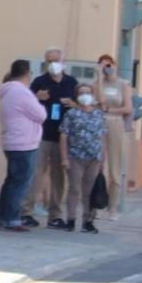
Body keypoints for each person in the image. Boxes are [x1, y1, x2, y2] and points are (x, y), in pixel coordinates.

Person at [27, 49, 76, 227]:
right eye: (49, 61)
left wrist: (74, 104)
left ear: (63, 62)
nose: (53, 64)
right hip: (41, 134)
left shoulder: (71, 82)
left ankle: (54, 215)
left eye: (56, 60)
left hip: (62, 137)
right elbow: (26, 102)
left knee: (58, 177)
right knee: (36, 173)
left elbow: (81, 106)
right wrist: (36, 97)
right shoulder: (39, 82)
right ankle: (27, 211)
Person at [0, 59, 47, 232]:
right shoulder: (21, 92)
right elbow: (41, 114)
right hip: (23, 142)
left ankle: (4, 217)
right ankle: (12, 219)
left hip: (13, 141)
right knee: (20, 182)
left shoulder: (8, 91)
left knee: (11, 181)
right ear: (27, 73)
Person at [60, 84, 106, 234]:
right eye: (81, 93)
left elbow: (102, 137)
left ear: (92, 95)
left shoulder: (99, 114)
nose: (85, 95)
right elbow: (64, 135)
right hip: (75, 157)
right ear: (77, 96)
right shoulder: (71, 114)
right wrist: (64, 157)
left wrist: (103, 158)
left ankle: (88, 221)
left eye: (87, 92)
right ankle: (71, 220)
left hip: (94, 158)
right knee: (74, 189)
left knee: (89, 190)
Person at [96, 54, 134, 215]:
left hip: (116, 123)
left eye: (110, 65)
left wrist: (109, 110)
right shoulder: (97, 85)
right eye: (104, 66)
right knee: (97, 163)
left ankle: (113, 206)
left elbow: (127, 108)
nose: (108, 68)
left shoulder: (123, 85)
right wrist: (99, 76)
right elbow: (99, 101)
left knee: (115, 165)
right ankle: (96, 203)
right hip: (99, 123)